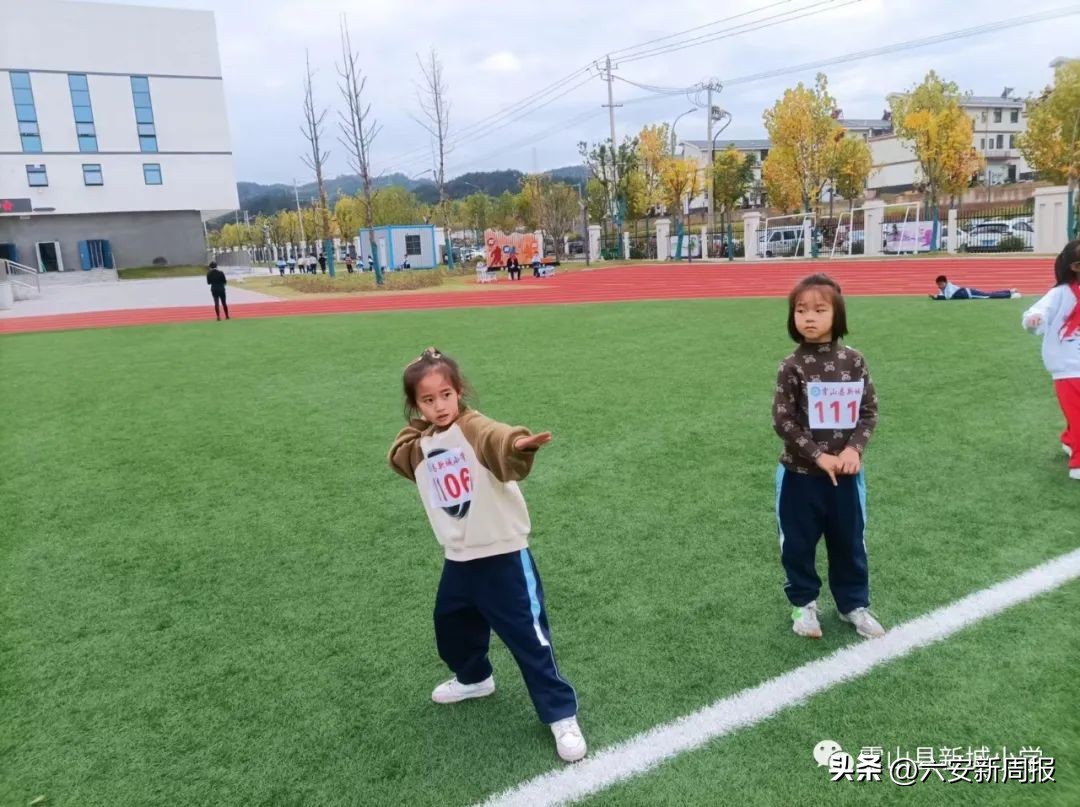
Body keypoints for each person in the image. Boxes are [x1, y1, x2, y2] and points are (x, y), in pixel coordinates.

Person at [388, 348, 586, 763]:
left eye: (446, 394)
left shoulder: (473, 428)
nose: (440, 406)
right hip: (458, 559)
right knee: (451, 626)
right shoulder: (422, 441)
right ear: (416, 405)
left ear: (459, 392)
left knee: (529, 639)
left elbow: (499, 437)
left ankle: (561, 713)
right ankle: (475, 678)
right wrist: (418, 433)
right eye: (428, 399)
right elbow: (402, 454)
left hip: (503, 557)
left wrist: (519, 443)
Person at [773, 274, 883, 640]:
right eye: (801, 310)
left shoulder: (854, 362)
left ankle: (853, 604)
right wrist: (817, 455)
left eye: (820, 310)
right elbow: (783, 419)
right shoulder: (792, 366)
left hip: (846, 478)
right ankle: (804, 606)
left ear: (837, 315)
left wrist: (853, 449)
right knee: (798, 543)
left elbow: (868, 411)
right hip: (800, 476)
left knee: (849, 542)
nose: (809, 317)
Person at [1022, 240, 1080, 481]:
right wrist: (1034, 319)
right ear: (1075, 266)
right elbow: (1039, 311)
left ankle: (1069, 439)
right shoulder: (1061, 293)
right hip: (1068, 366)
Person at [930, 275, 1020, 300]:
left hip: (969, 293)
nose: (939, 286)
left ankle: (1010, 295)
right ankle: (1010, 291)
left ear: (945, 283)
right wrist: (936, 297)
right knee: (989, 293)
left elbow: (947, 297)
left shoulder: (949, 287)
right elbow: (942, 295)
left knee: (988, 296)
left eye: (941, 284)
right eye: (938, 285)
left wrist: (937, 297)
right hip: (967, 292)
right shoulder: (942, 289)